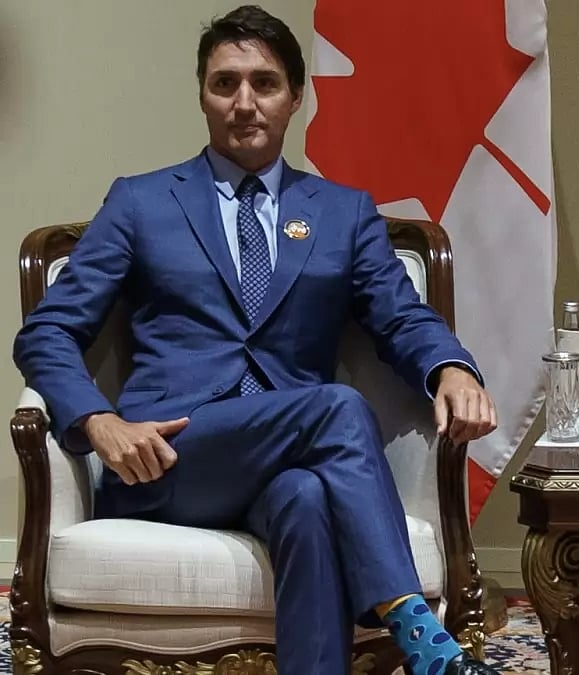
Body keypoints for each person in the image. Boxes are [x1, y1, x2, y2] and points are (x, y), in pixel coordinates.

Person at [12, 6, 503, 675]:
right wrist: (99, 422)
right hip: (172, 456)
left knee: (305, 499)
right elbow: (48, 330)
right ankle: (416, 629)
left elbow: (401, 317)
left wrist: (452, 368)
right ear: (203, 95)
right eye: (225, 83)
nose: (244, 102)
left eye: (264, 83)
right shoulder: (141, 202)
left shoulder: (343, 213)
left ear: (295, 98)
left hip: (291, 457)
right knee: (336, 406)